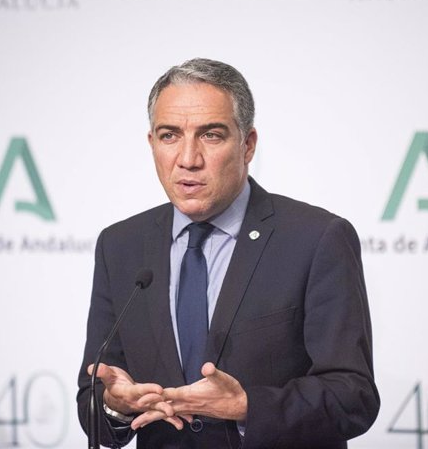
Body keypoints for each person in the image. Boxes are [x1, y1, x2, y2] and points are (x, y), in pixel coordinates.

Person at [77, 58, 379, 449]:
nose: (188, 159)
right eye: (170, 135)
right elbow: (92, 402)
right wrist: (116, 405)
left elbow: (352, 397)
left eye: (211, 135)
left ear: (248, 144)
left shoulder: (316, 238)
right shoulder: (120, 245)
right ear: (152, 143)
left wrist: (246, 406)